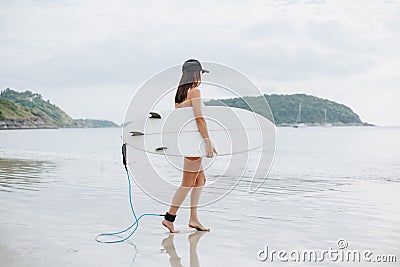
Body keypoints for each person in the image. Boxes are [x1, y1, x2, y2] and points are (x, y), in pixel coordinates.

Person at [162, 59, 217, 233]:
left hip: (189, 142)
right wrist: (207, 141)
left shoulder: (179, 94)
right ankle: (169, 217)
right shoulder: (195, 92)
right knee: (187, 183)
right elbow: (199, 119)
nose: (202, 76)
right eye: (201, 73)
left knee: (200, 180)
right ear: (195, 74)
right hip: (194, 144)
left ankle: (193, 219)